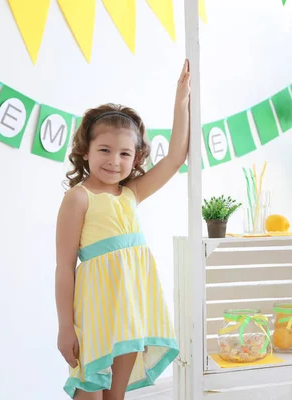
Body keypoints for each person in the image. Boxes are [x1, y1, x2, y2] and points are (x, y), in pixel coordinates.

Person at [55, 60, 190, 399]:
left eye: (124, 153)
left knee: (116, 397)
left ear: (136, 157)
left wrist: (181, 99)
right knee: (89, 392)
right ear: (85, 151)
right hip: (96, 316)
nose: (114, 161)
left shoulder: (132, 193)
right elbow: (64, 267)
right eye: (104, 150)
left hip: (131, 313)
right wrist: (65, 328)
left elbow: (175, 158)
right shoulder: (78, 198)